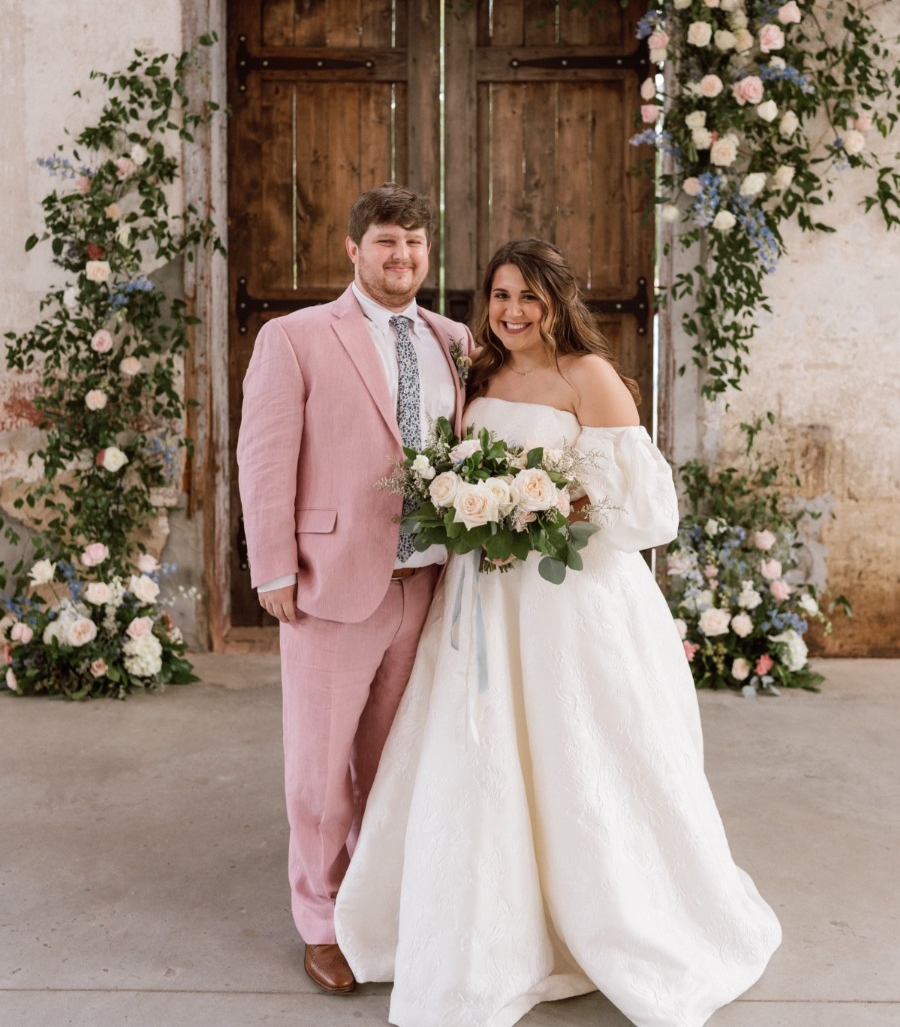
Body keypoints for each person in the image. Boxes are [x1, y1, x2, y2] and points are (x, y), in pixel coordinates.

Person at [334, 238, 782, 1027]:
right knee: (480, 752)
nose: (511, 312)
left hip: (567, 598)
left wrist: (546, 509)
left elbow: (647, 514)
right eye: (500, 296)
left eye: (528, 298)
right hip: (482, 596)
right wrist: (476, 503)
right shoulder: (481, 371)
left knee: (581, 750)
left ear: (557, 301)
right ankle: (488, 922)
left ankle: (605, 915)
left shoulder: (590, 378)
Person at [236, 183, 473, 996]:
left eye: (414, 244)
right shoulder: (296, 338)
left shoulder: (455, 340)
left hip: (428, 581)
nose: (401, 257)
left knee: (394, 761)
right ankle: (322, 922)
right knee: (319, 769)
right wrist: (272, 567)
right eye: (385, 243)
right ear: (353, 250)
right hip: (330, 585)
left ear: (427, 253)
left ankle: (378, 906)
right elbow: (264, 457)